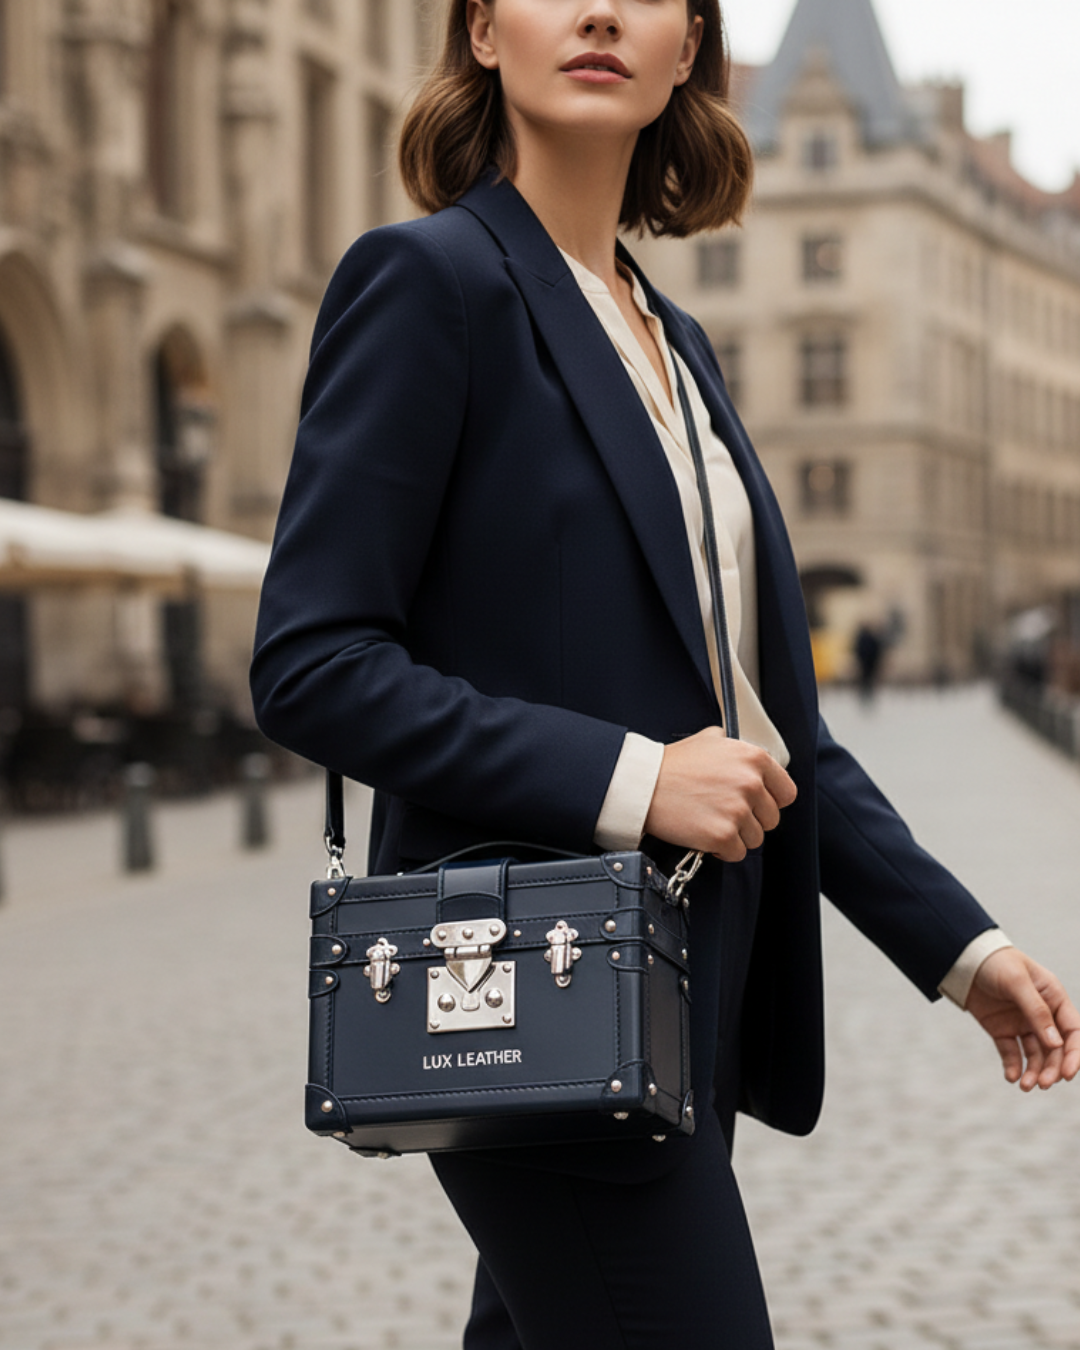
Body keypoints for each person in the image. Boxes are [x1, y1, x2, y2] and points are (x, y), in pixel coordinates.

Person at [250, 2, 1080, 1345]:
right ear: (477, 30)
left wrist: (958, 945)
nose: (597, 10)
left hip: (677, 998)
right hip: (526, 974)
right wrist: (633, 776)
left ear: (688, 50)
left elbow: (774, 731)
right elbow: (311, 662)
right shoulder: (430, 282)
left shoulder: (677, 345)